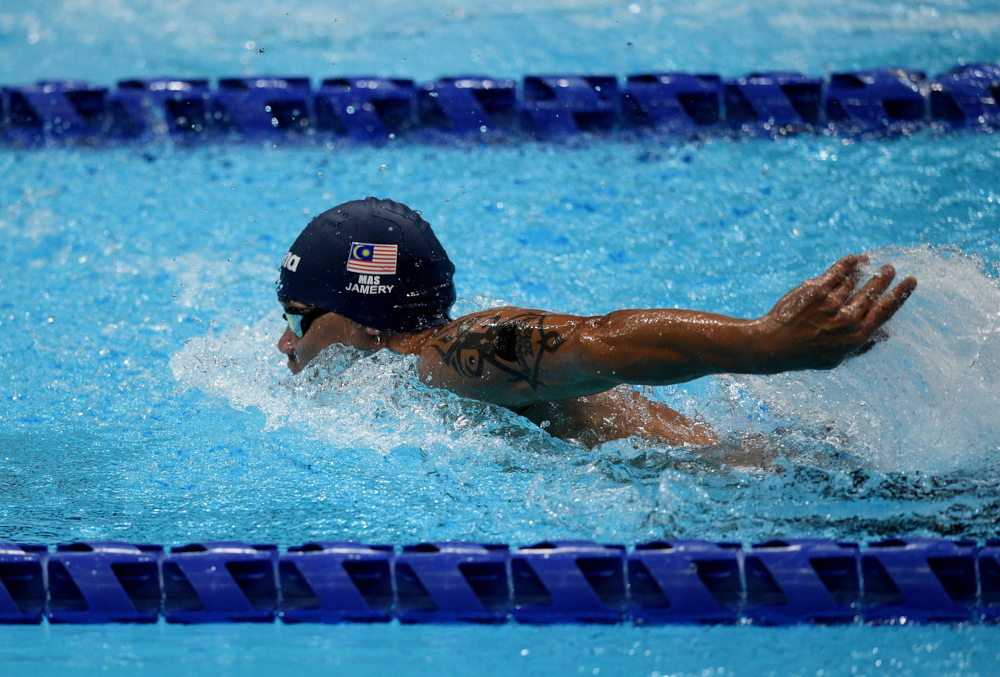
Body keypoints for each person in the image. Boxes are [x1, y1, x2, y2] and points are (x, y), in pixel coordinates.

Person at [276, 197, 916, 446]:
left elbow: (597, 339)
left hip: (774, 501)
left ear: (362, 319)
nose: (284, 341)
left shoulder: (448, 356)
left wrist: (763, 343)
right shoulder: (415, 374)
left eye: (300, 319)